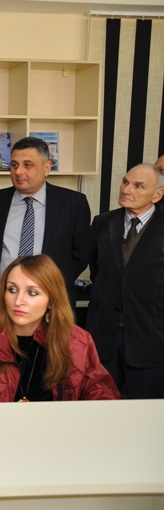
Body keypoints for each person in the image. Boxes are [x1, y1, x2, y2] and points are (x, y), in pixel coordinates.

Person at [0, 255, 119, 402]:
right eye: (12, 289)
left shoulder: (77, 341)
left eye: (32, 293)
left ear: (51, 300)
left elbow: (103, 397)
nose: (18, 301)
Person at [0, 136, 91, 315]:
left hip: (53, 303)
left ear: (47, 168)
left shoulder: (73, 204)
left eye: (27, 165)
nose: (18, 171)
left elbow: (81, 254)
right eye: (14, 165)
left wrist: (48, 284)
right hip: (0, 303)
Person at [86, 163, 164, 398]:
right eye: (125, 182)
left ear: (157, 195)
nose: (126, 189)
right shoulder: (102, 222)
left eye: (138, 186)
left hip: (150, 338)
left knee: (145, 411)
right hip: (105, 335)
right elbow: (97, 271)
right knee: (100, 406)